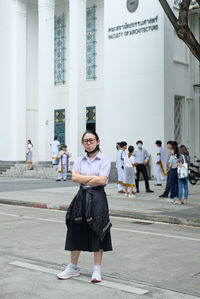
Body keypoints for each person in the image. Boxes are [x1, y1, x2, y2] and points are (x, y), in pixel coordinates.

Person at [56, 131, 112, 283]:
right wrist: (93, 178)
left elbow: (102, 181)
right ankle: (72, 267)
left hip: (98, 198)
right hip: (81, 197)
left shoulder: (104, 159)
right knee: (76, 229)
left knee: (98, 230)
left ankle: (97, 270)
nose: (88, 143)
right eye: (85, 141)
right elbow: (74, 177)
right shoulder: (80, 159)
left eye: (91, 140)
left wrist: (85, 178)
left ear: (98, 141)